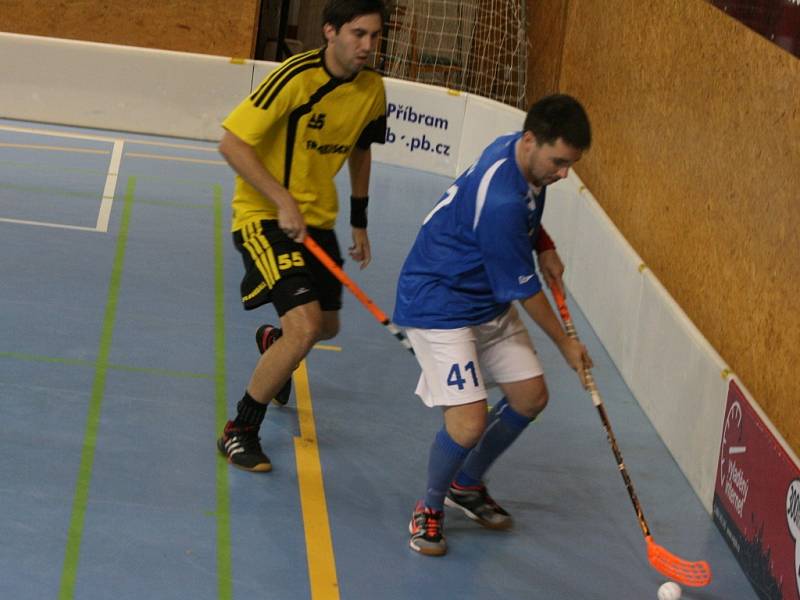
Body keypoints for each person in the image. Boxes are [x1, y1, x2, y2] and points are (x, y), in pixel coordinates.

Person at [392, 94, 594, 555]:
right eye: (559, 162)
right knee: (467, 424)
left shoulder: (519, 155)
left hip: (482, 297)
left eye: (570, 165)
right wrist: (566, 344)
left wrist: (544, 244)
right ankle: (430, 505)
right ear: (530, 141)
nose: (563, 174)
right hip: (438, 302)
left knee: (530, 397)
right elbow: (524, 290)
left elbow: (529, 212)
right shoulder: (500, 198)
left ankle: (467, 483)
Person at [216, 0, 388, 473]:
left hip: (319, 222)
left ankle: (274, 340)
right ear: (330, 32)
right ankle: (240, 429)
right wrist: (280, 199)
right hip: (263, 216)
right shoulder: (295, 76)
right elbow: (232, 142)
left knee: (324, 328)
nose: (367, 46)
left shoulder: (372, 88)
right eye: (357, 34)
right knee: (307, 327)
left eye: (374, 36)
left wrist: (359, 219)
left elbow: (361, 150)